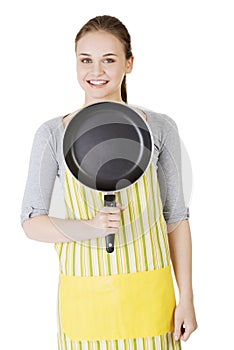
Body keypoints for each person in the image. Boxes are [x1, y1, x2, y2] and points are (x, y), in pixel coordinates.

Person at [21, 15, 197, 350]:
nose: (96, 71)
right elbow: (31, 223)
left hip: (152, 303)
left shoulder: (159, 128)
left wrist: (186, 297)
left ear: (129, 64)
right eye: (86, 60)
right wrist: (90, 226)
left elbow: (176, 219)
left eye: (109, 60)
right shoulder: (52, 134)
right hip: (85, 305)